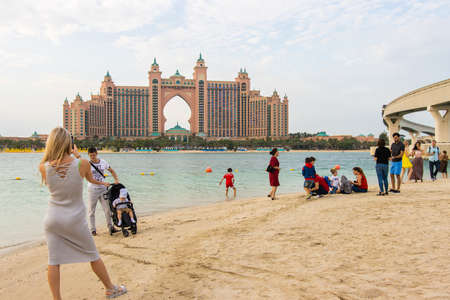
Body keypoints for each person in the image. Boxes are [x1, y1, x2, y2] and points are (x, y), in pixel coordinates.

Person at [39, 127, 127, 300]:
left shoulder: (43, 167)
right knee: (93, 256)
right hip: (74, 219)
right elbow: (89, 176)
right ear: (69, 144)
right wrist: (77, 154)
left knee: (54, 261)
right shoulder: (82, 163)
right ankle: (110, 289)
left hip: (52, 219)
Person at [74, 147, 119, 236]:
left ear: (96, 153)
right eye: (91, 156)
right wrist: (103, 183)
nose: (92, 157)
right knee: (91, 211)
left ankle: (111, 227)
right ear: (88, 155)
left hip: (103, 190)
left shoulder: (103, 162)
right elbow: (90, 179)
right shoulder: (87, 164)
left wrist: (116, 180)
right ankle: (93, 230)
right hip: (92, 190)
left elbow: (112, 170)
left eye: (94, 155)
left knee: (107, 210)